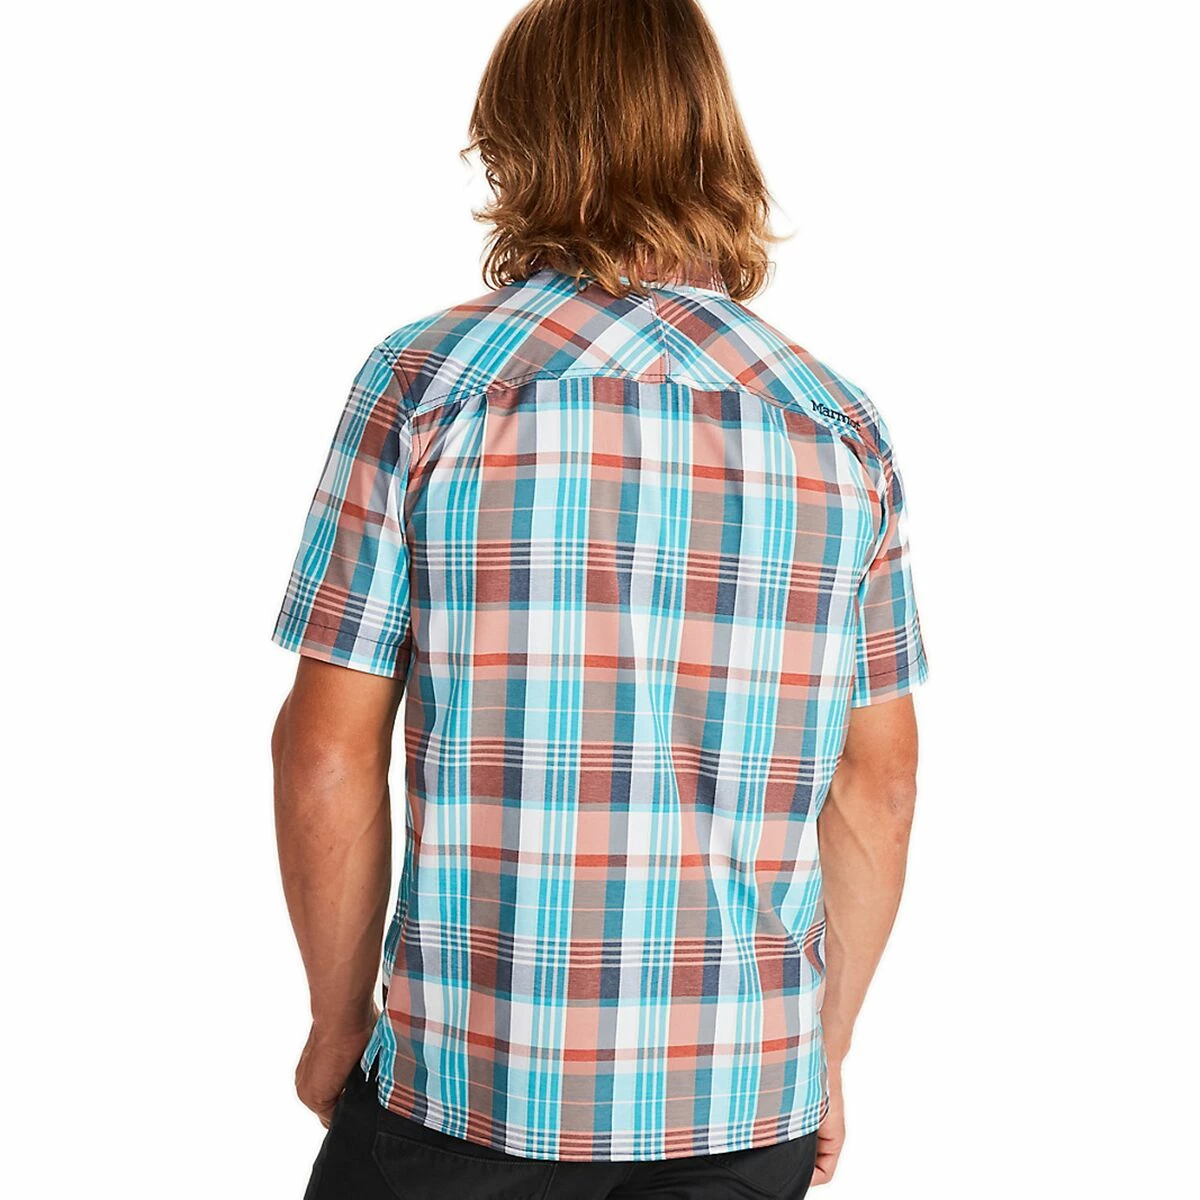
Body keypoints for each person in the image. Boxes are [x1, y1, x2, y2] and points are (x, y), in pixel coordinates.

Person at [270, 1, 928, 1195]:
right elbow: (877, 782)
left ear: (520, 142)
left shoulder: (425, 385)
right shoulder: (839, 425)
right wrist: (822, 1054)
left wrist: (334, 1021)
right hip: (742, 1107)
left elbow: (326, 751)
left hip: (471, 1092)